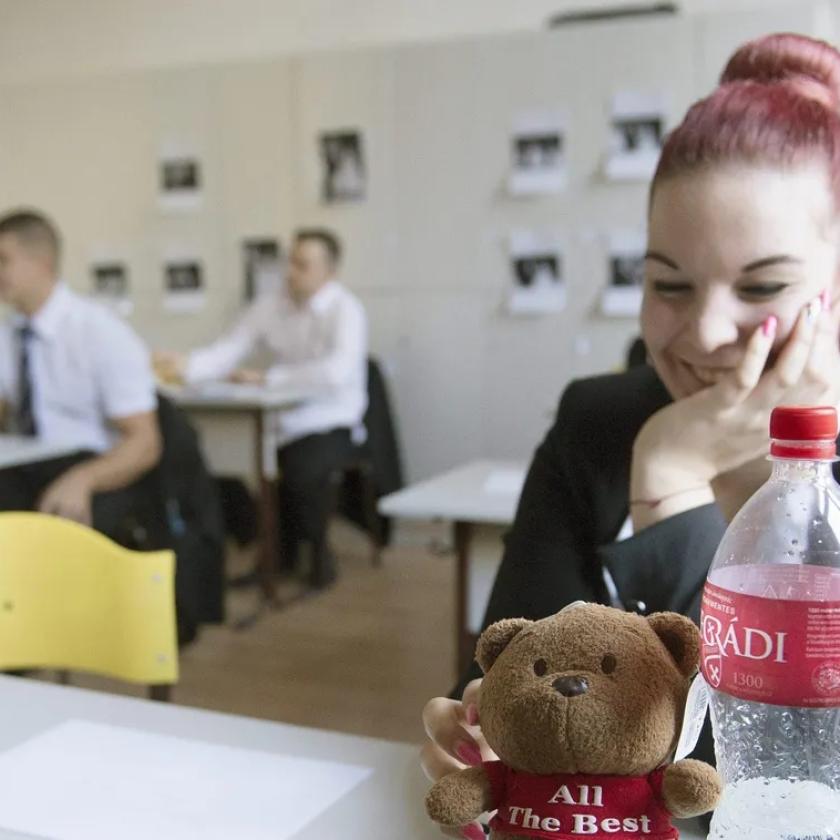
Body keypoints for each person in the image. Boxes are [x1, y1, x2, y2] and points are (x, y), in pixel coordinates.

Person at [420, 32, 840, 839]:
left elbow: (750, 789)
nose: (707, 332)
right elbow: (519, 702)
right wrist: (476, 730)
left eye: (762, 285)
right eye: (667, 285)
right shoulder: (597, 421)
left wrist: (674, 480)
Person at [155, 228, 368, 589]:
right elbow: (228, 349)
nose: (291, 272)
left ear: (329, 271)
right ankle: (272, 557)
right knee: (250, 465)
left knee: (301, 468)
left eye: (303, 264)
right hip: (282, 419)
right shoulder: (272, 304)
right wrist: (185, 365)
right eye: (291, 262)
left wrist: (268, 378)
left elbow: (336, 373)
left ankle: (317, 556)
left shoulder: (346, 310)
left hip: (332, 418)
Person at [0, 210, 162, 536]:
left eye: (3, 260)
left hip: (92, 465)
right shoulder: (8, 333)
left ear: (42, 263)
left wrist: (82, 480)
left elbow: (145, 442)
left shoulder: (99, 331)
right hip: (27, 461)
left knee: (54, 523)